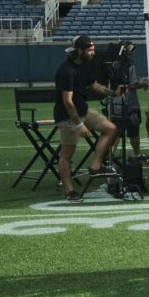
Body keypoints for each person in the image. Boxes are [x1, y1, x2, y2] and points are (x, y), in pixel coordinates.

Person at [53, 35, 122, 202]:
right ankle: (69, 191)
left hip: (83, 110)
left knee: (111, 129)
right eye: (90, 50)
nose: (93, 52)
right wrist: (79, 125)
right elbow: (68, 103)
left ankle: (95, 166)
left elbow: (94, 85)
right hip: (68, 116)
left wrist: (113, 93)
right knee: (67, 154)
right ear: (79, 51)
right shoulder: (66, 71)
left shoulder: (85, 65)